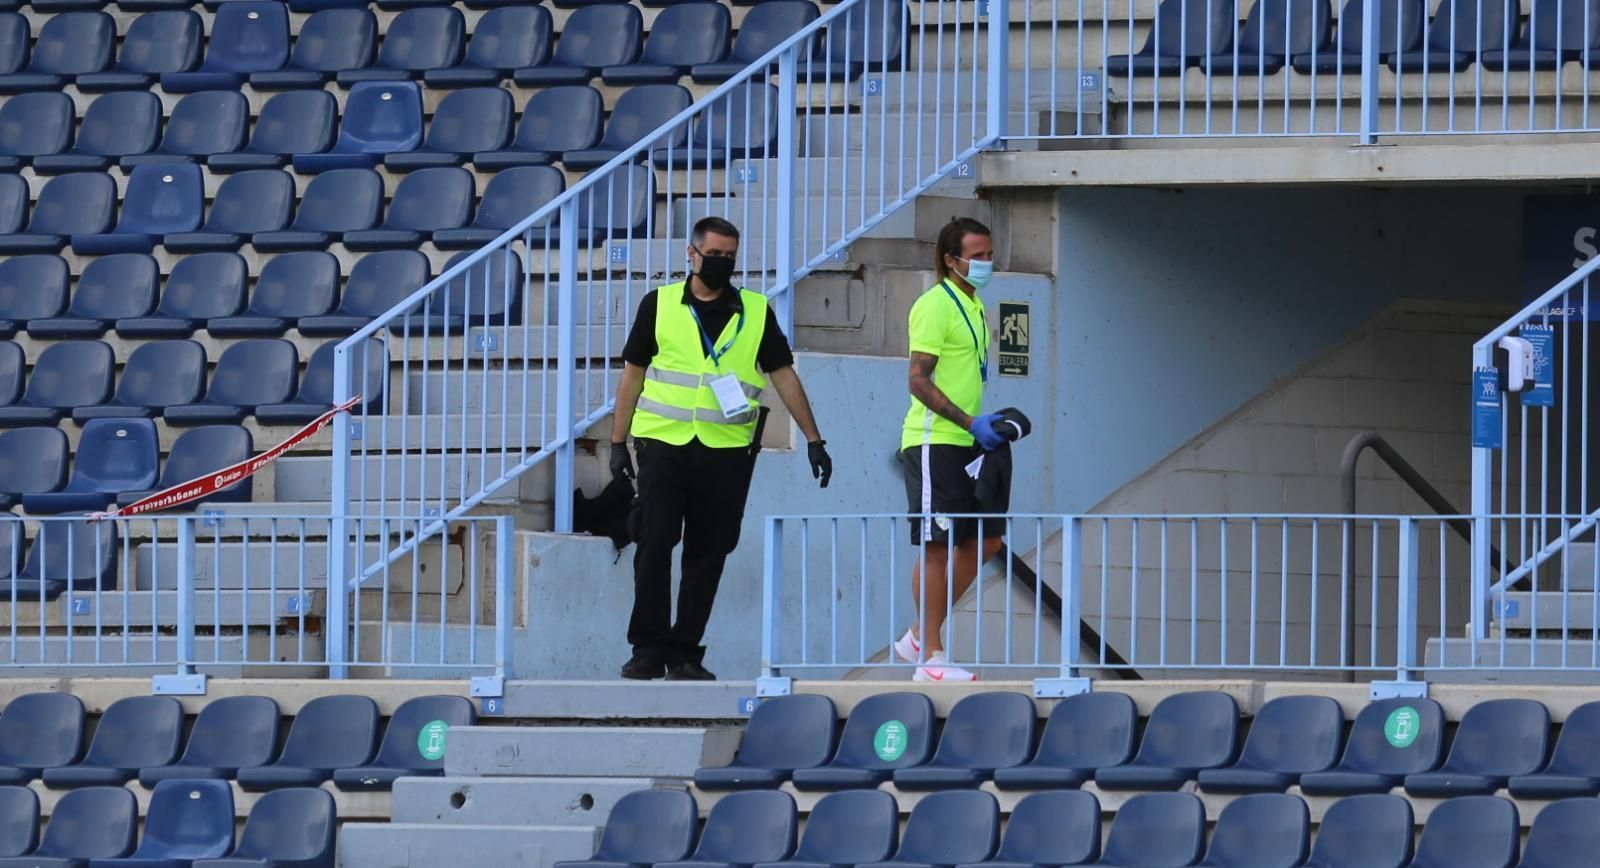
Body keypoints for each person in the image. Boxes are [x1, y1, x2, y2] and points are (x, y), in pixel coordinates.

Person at [609, 216, 833, 681]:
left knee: (709, 552)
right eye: (713, 256)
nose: (722, 264)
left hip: (725, 451)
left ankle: (686, 651)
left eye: (730, 257)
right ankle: (648, 647)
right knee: (654, 543)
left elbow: (783, 374)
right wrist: (617, 441)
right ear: (691, 255)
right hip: (663, 443)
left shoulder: (754, 310)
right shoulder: (660, 304)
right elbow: (632, 374)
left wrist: (814, 438)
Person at [894, 217, 1010, 683]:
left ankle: (922, 634)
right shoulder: (934, 305)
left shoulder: (975, 305)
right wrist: (968, 422)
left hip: (967, 444)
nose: (985, 263)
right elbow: (918, 380)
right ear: (950, 259)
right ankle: (932, 659)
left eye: (988, 254)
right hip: (933, 439)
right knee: (937, 545)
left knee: (986, 541)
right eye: (976, 256)